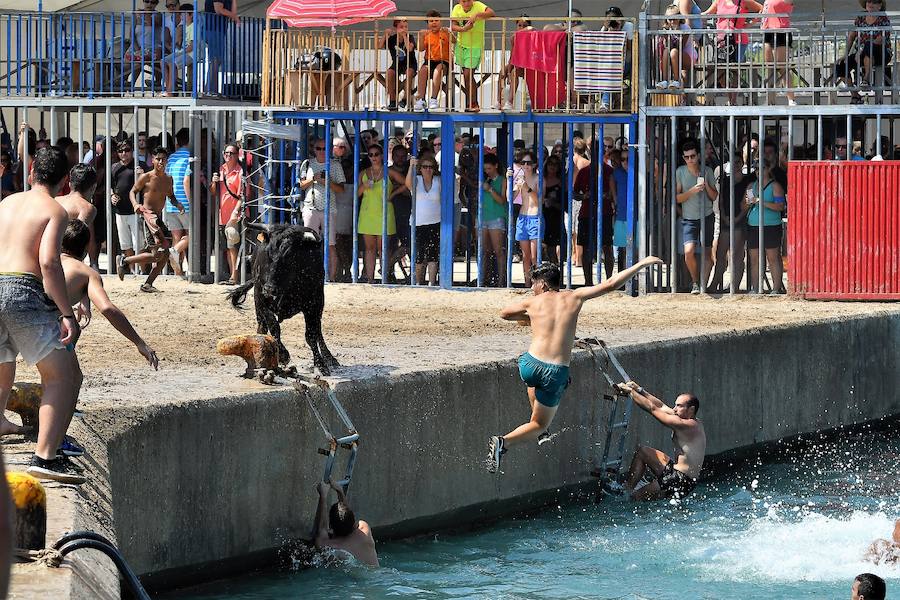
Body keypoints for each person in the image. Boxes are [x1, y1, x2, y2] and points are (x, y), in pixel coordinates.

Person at [486, 256, 663, 472]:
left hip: (528, 365)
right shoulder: (575, 296)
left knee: (535, 380)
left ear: (542, 283)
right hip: (554, 372)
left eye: (533, 283)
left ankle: (538, 420)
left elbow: (504, 313)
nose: (532, 288)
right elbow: (610, 284)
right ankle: (504, 442)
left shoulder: (531, 302)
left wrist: (527, 318)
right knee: (540, 423)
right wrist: (641, 264)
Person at [0, 147, 84, 483]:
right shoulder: (55, 209)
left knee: (3, 365)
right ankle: (46, 458)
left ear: (32, 170)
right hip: (22, 291)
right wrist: (67, 313)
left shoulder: (5, 204)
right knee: (62, 377)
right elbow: (49, 263)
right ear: (65, 181)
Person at [60, 220, 158, 372]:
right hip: (48, 325)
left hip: (20, 315)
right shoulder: (88, 273)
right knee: (72, 377)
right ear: (87, 246)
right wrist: (139, 342)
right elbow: (107, 309)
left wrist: (84, 297)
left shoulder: (46, 260)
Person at [617, 384, 706, 500]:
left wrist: (630, 392)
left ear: (691, 409)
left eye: (679, 406)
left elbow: (652, 409)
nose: (674, 409)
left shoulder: (686, 425)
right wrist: (640, 390)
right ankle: (626, 489)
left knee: (634, 499)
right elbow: (661, 406)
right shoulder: (692, 421)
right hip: (681, 476)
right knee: (643, 452)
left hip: (679, 479)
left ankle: (627, 498)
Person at [118, 146, 186, 292]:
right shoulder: (146, 177)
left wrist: (178, 204)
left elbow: (171, 196)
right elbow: (132, 191)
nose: (161, 162)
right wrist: (136, 204)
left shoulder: (168, 179)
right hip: (149, 217)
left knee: (164, 253)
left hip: (158, 219)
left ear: (167, 161)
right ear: (153, 160)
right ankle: (126, 261)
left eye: (163, 159)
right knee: (158, 254)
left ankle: (147, 283)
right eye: (158, 159)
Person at [298, 137, 346, 278]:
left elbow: (341, 189)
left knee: (330, 244)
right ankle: (309, 275)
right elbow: (301, 185)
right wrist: (314, 179)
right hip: (310, 207)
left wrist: (327, 182)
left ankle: (330, 277)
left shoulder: (335, 165)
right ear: (314, 149)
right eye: (318, 148)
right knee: (308, 244)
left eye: (324, 148)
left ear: (330, 149)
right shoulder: (307, 164)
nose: (321, 151)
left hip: (329, 209)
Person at [675, 139, 717, 294]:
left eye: (692, 156)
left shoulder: (707, 171)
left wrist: (705, 185)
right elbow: (676, 198)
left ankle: (703, 285)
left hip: (707, 216)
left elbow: (714, 196)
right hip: (689, 219)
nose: (690, 160)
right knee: (688, 252)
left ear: (698, 156)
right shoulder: (680, 171)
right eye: (686, 157)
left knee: (707, 253)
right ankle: (695, 282)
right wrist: (692, 190)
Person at [709, 147, 753, 293]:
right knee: (720, 255)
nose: (735, 164)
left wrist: (737, 218)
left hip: (740, 221)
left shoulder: (749, 180)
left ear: (742, 163)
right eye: (732, 162)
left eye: (738, 162)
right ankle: (714, 284)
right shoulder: (724, 180)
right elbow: (720, 201)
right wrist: (725, 218)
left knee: (737, 255)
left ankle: (735, 286)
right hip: (726, 221)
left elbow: (750, 201)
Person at [703, 0, 762, 104]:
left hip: (739, 40)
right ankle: (730, 96)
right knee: (720, 70)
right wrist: (690, 15)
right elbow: (707, 13)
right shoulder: (719, 1)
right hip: (722, 41)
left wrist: (749, 24)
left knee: (735, 69)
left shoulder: (744, 1)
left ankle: (733, 100)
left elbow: (762, 9)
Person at [745, 153, 786, 294]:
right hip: (754, 226)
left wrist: (761, 202)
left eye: (761, 168)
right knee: (754, 258)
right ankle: (756, 288)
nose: (758, 171)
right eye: (755, 169)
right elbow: (745, 206)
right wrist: (748, 203)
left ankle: (776, 288)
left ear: (768, 169)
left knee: (773, 257)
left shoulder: (775, 186)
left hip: (771, 226)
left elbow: (781, 207)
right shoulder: (751, 186)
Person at [313, 480, 378, 567]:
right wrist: (340, 491)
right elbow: (349, 519)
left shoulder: (328, 545)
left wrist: (323, 496)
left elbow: (322, 528)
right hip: (379, 575)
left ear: (331, 527)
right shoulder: (364, 530)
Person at [357, 144, 395, 283]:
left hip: (385, 213)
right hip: (367, 213)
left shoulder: (389, 171)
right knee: (369, 248)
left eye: (376, 154)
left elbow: (407, 183)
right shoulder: (363, 173)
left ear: (382, 155)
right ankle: (370, 278)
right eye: (371, 155)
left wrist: (393, 193)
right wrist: (364, 186)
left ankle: (384, 277)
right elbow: (355, 194)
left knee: (383, 248)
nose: (374, 157)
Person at [210, 143, 247, 285]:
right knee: (227, 247)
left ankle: (234, 277)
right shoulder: (221, 170)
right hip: (222, 214)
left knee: (233, 246)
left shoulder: (240, 172)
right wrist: (213, 183)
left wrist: (235, 212)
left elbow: (242, 196)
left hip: (234, 215)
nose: (228, 155)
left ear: (237, 155)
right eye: (226, 153)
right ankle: (232, 275)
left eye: (231, 153)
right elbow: (214, 193)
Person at [110, 140, 149, 272]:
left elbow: (150, 186)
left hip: (136, 210)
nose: (124, 154)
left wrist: (141, 176)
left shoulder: (140, 165)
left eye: (127, 150)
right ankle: (133, 271)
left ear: (132, 151)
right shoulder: (114, 167)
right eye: (120, 151)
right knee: (125, 244)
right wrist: (112, 195)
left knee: (140, 245)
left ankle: (142, 272)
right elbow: (111, 187)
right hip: (120, 211)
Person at [450, 0, 495, 112]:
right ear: (460, 1)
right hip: (461, 46)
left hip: (475, 46)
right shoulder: (456, 8)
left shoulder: (478, 5)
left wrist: (477, 14)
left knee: (468, 74)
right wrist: (463, 29)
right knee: (466, 75)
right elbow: (453, 26)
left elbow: (491, 13)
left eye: (469, 0)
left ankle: (473, 103)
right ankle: (470, 103)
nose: (466, 3)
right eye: (464, 1)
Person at [405, 156, 442, 286]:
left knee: (433, 255)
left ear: (434, 169)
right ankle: (418, 282)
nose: (428, 169)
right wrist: (411, 166)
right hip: (418, 223)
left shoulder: (438, 181)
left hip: (436, 222)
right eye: (425, 167)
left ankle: (432, 282)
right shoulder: (416, 180)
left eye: (430, 167)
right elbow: (408, 184)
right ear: (420, 169)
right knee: (418, 256)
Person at [55, 164, 98, 263]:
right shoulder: (87, 208)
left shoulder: (55, 200)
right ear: (93, 187)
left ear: (70, 184)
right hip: (67, 259)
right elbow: (75, 240)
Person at [512, 151, 543, 286]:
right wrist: (510, 181)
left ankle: (537, 284)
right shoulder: (519, 179)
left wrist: (527, 188)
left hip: (535, 217)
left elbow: (539, 200)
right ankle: (527, 284)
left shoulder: (538, 178)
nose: (525, 165)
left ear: (534, 164)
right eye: (522, 163)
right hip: (522, 218)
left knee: (535, 257)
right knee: (525, 257)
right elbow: (510, 199)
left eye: (528, 163)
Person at [165, 128, 192, 276]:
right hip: (185, 203)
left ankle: (178, 272)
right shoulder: (190, 157)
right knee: (192, 235)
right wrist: (191, 202)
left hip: (171, 203)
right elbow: (186, 181)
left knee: (176, 237)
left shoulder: (171, 158)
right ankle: (174, 251)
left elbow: (168, 180)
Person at [414, 10, 452, 112]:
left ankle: (433, 99)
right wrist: (421, 37)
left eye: (436, 20)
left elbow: (454, 41)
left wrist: (449, 33)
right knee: (422, 71)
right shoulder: (426, 34)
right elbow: (420, 48)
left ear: (441, 22)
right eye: (431, 21)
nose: (434, 23)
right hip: (429, 60)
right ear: (428, 24)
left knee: (437, 71)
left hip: (443, 60)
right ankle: (421, 99)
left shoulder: (444, 32)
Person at [761, 0, 797, 105]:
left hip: (781, 31)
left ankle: (791, 99)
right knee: (769, 66)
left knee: (782, 66)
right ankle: (770, 98)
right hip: (768, 31)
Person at [479, 153, 508, 286]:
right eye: (485, 169)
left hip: (496, 218)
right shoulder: (484, 179)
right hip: (482, 217)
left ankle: (501, 281)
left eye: (489, 168)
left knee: (498, 251)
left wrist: (490, 189)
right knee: (484, 251)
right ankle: (484, 279)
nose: (487, 171)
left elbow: (502, 200)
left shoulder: (503, 180)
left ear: (496, 166)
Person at [378, 18, 418, 111]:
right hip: (396, 63)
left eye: (406, 27)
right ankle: (392, 100)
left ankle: (405, 99)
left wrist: (404, 37)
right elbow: (379, 46)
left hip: (410, 63)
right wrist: (385, 35)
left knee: (409, 72)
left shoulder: (410, 37)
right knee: (390, 72)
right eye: (401, 27)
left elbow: (410, 48)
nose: (404, 29)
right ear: (396, 28)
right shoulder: (392, 39)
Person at [495, 15, 533, 111]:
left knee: (514, 72)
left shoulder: (532, 35)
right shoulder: (514, 38)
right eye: (519, 25)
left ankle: (510, 102)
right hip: (518, 62)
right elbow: (512, 56)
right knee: (502, 72)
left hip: (530, 64)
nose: (521, 28)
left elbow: (532, 28)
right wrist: (507, 71)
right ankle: (499, 101)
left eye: (524, 25)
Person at [331, 137, 355, 282]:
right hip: (337, 207)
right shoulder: (331, 163)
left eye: (343, 147)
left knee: (347, 243)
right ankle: (340, 270)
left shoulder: (350, 163)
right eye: (337, 147)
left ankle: (346, 270)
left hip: (349, 207)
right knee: (337, 242)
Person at [163, 3, 199, 96]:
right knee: (163, 61)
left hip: (192, 54)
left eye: (184, 14)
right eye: (181, 14)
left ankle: (170, 91)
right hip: (184, 52)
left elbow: (191, 47)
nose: (181, 16)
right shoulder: (185, 27)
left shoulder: (194, 26)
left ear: (191, 15)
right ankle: (168, 88)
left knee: (172, 63)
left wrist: (179, 53)